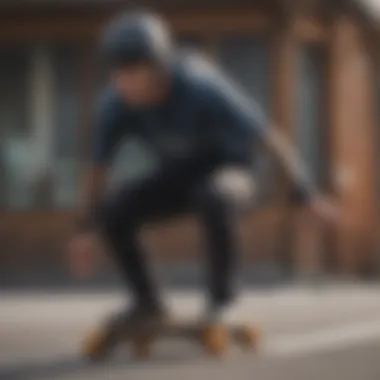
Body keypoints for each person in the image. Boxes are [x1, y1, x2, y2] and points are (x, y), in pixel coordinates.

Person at [69, 10, 337, 350]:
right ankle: (147, 301)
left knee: (216, 195)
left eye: (133, 71)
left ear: (159, 66)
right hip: (181, 174)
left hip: (234, 170)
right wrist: (84, 228)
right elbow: (97, 169)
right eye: (118, 73)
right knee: (115, 209)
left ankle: (222, 301)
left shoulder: (200, 84)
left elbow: (268, 137)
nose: (125, 84)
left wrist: (305, 193)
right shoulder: (115, 104)